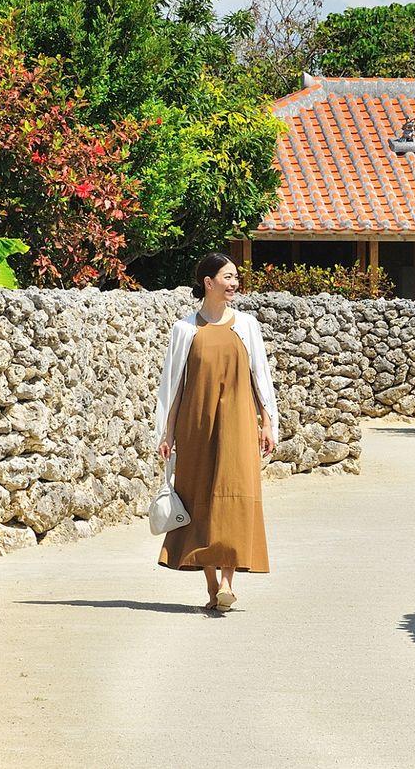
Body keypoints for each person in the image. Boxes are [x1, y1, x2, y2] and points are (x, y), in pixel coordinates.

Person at [153, 252, 277, 609]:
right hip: (196, 426)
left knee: (235, 496)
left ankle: (227, 581)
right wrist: (167, 432)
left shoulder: (247, 326)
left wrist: (267, 422)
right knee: (200, 499)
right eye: (227, 277)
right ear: (208, 283)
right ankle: (212, 587)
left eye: (236, 277)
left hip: (238, 424)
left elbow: (260, 378)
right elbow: (173, 386)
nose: (234, 283)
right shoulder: (185, 330)